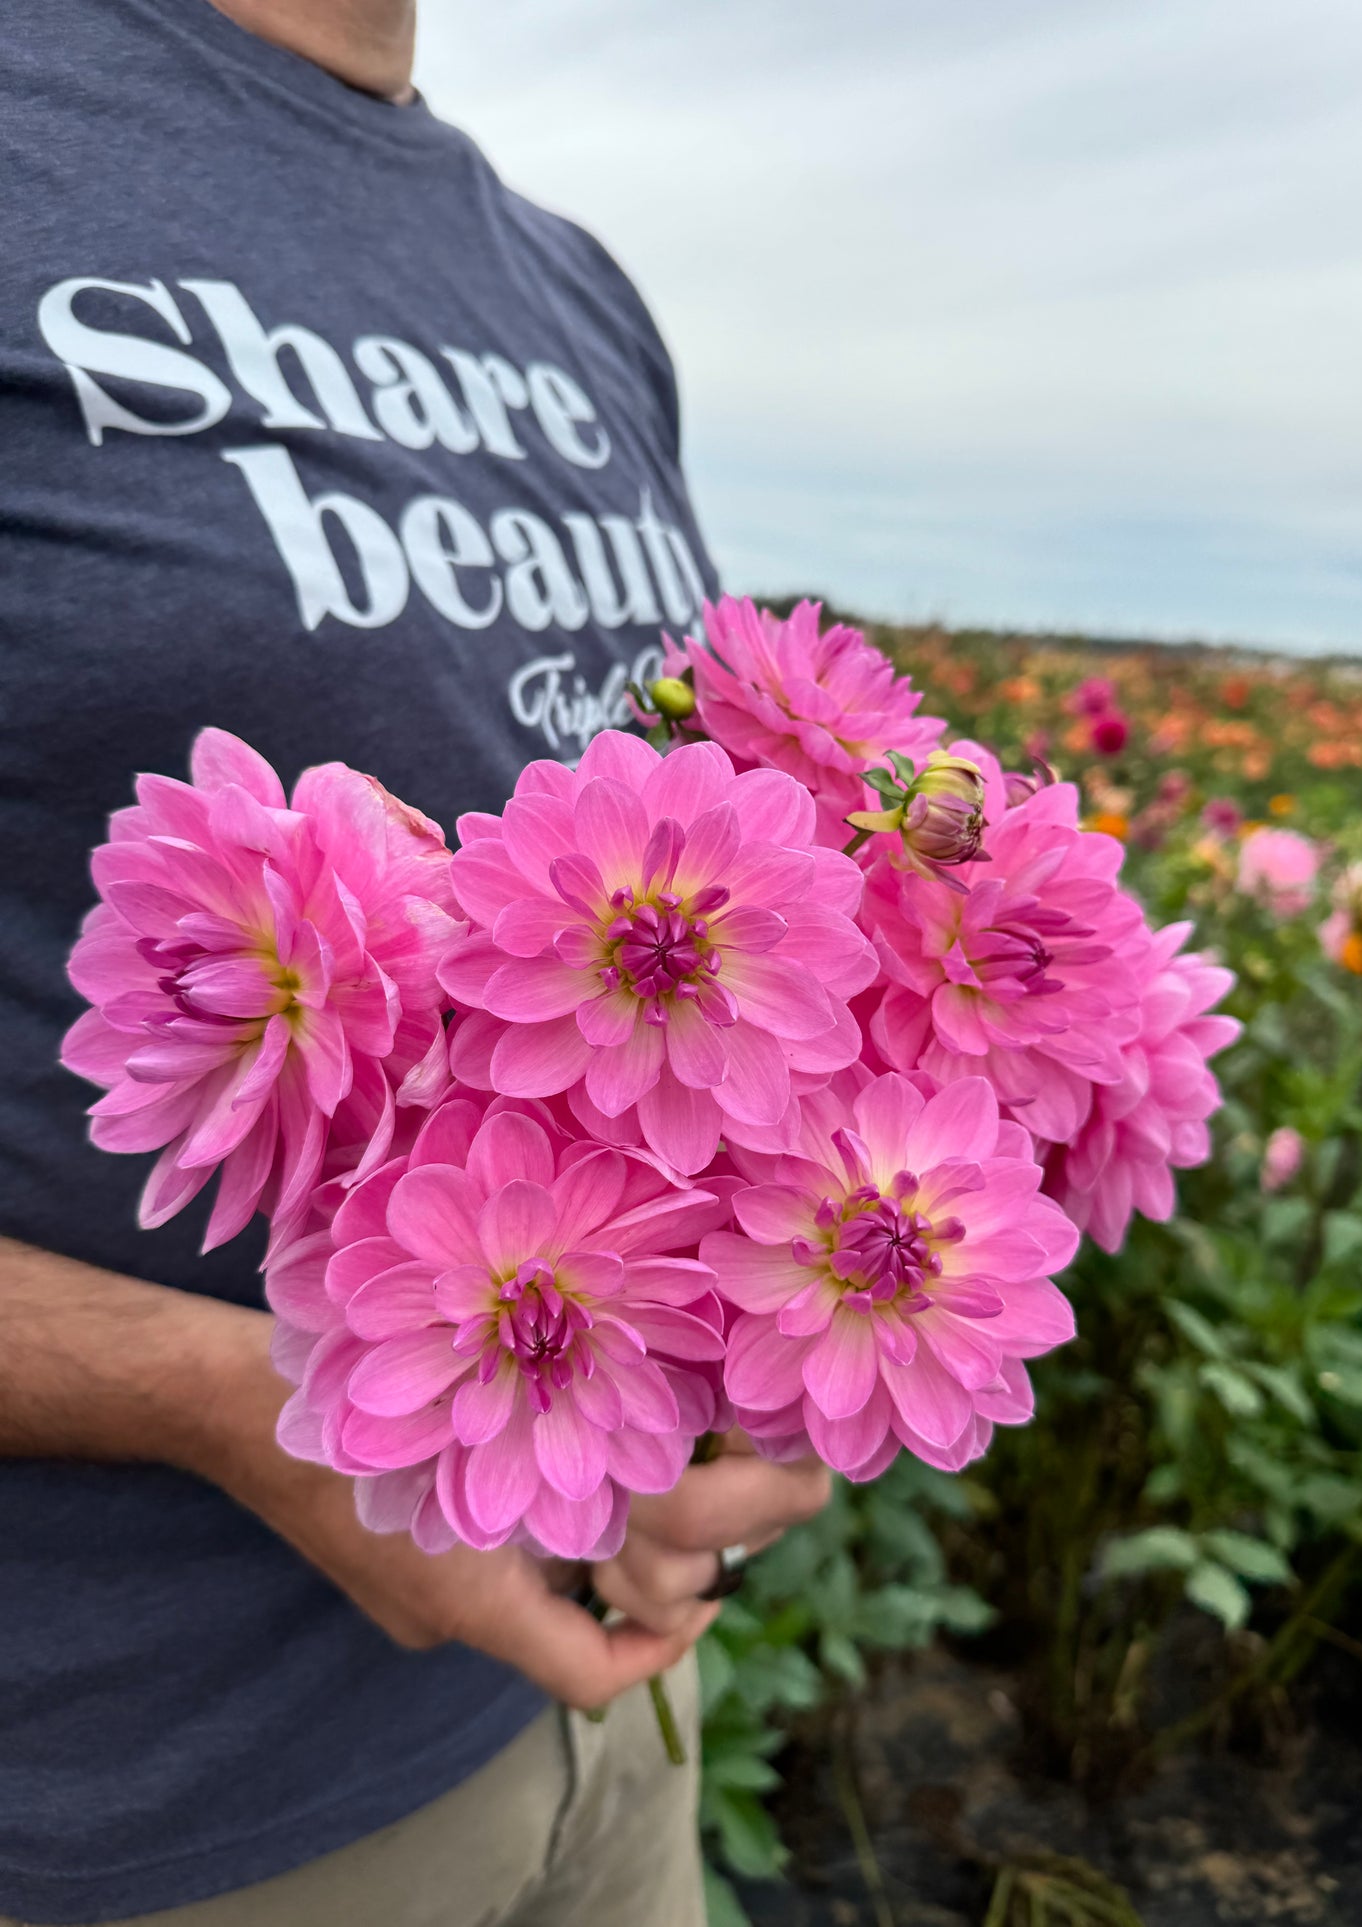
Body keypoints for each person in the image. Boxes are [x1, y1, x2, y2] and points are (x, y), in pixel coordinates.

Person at [0, 3, 833, 1923]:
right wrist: (231, 1399)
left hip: (600, 1724)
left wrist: (763, 1333)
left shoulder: (566, 282)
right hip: (150, 1810)